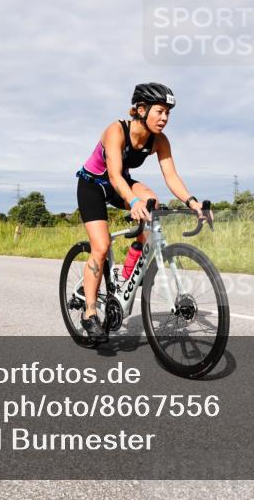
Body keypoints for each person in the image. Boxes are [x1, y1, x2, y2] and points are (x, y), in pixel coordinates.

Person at [75, 83, 208, 342]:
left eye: (168, 113)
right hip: (93, 185)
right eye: (160, 111)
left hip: (120, 183)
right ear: (141, 109)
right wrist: (133, 201)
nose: (165, 118)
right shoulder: (116, 131)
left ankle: (130, 269)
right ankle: (89, 313)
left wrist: (192, 202)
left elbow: (171, 176)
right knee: (100, 247)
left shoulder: (159, 140)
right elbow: (114, 175)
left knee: (152, 204)